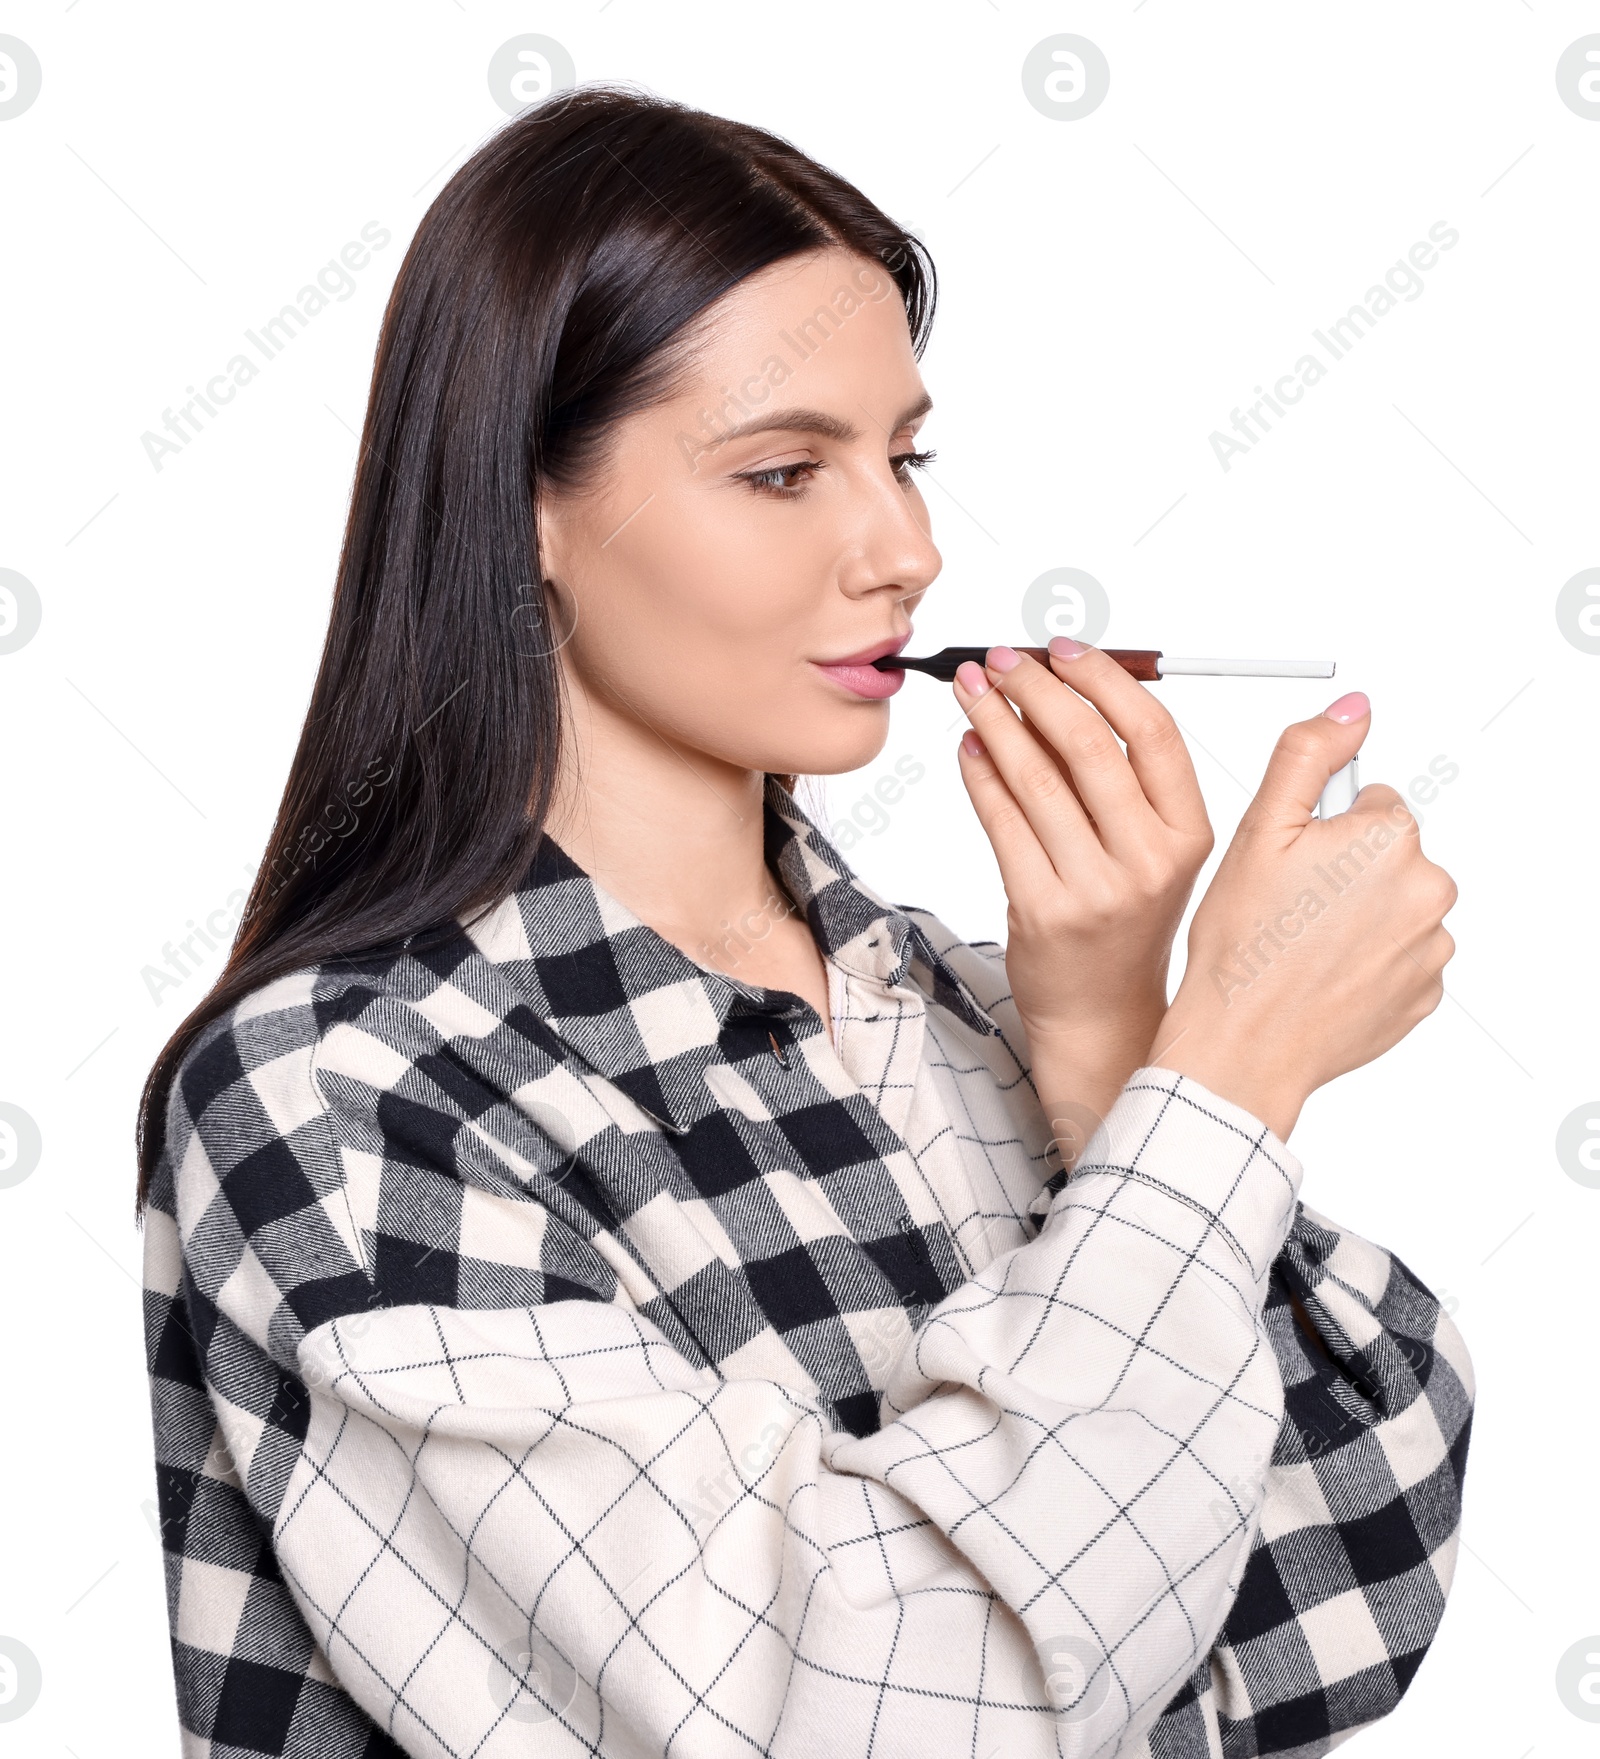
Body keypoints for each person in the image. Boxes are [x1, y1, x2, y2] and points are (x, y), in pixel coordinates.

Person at [137, 85, 1472, 1758]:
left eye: (906, 458)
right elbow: (872, 1719)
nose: (905, 549)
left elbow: (1353, 1572)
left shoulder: (981, 1013)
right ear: (527, 505)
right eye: (783, 473)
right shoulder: (348, 1100)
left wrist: (1117, 1053)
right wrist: (1223, 1083)